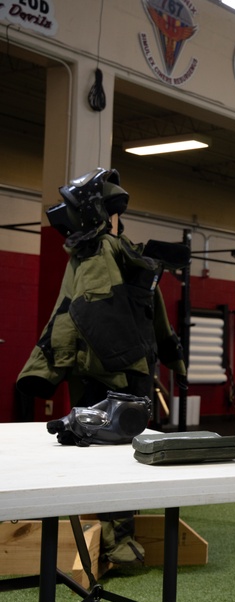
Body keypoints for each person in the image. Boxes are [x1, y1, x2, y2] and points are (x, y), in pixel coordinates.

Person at [17, 167, 188, 566]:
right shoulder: (99, 251)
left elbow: (139, 308)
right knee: (111, 452)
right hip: (112, 374)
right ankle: (113, 540)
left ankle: (114, 534)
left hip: (118, 371)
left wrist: (164, 355)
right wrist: (130, 369)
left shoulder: (110, 250)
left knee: (117, 452)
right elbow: (92, 312)